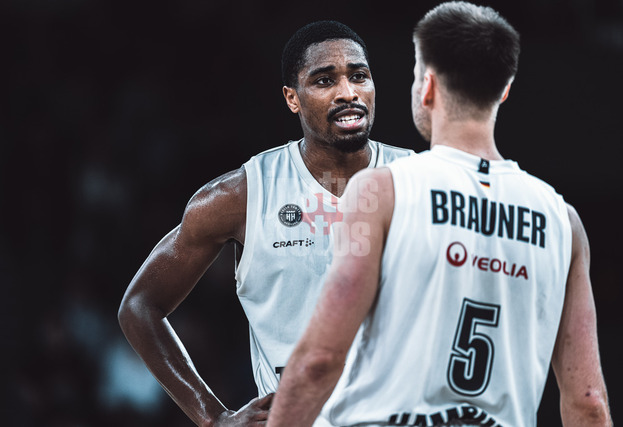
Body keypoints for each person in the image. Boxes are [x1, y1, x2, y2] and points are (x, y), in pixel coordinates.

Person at [267, 3, 612, 427]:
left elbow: (320, 359)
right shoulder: (562, 221)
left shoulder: (380, 190)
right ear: (504, 90)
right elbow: (589, 401)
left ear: (426, 87)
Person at [117, 20, 413, 426]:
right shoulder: (241, 195)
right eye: (325, 80)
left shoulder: (425, 182)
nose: (348, 92)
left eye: (359, 76)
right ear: (292, 98)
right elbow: (139, 306)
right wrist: (213, 418)